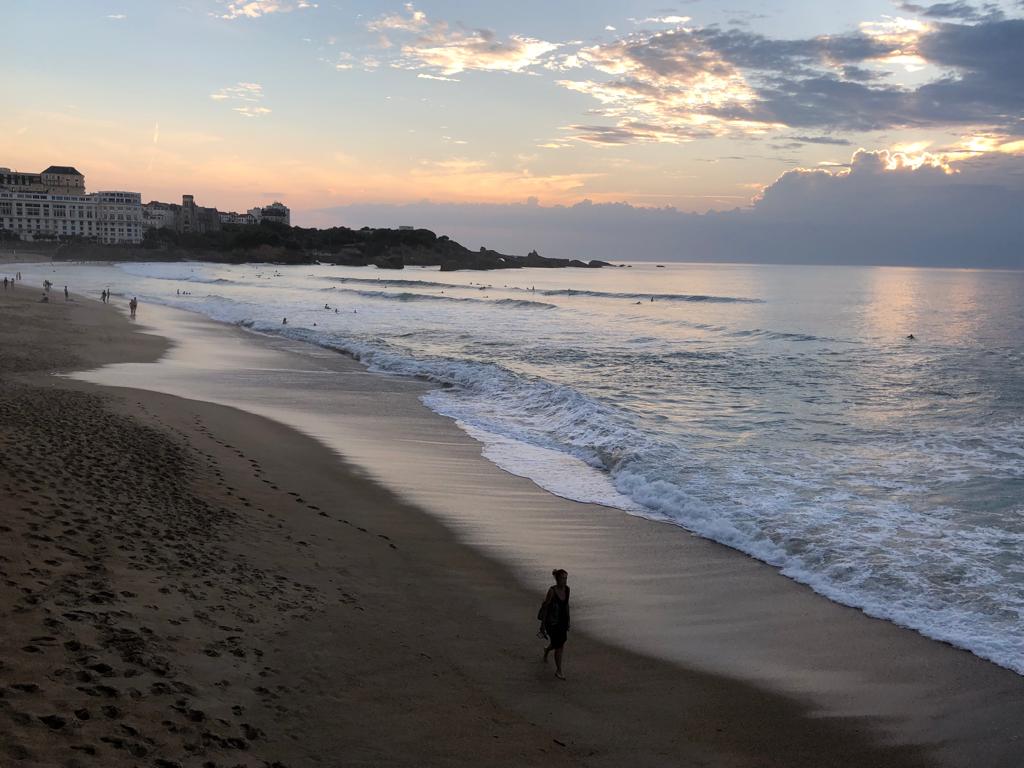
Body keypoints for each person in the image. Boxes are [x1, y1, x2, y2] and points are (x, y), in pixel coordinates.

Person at [538, 569, 570, 679]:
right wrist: (542, 625)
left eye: (566, 578)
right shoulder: (552, 591)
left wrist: (568, 620)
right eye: (563, 578)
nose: (565, 580)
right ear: (557, 579)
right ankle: (559, 671)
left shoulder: (567, 590)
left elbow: (566, 606)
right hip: (552, 622)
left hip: (562, 621)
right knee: (559, 645)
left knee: (559, 643)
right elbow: (546, 608)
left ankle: (546, 649)